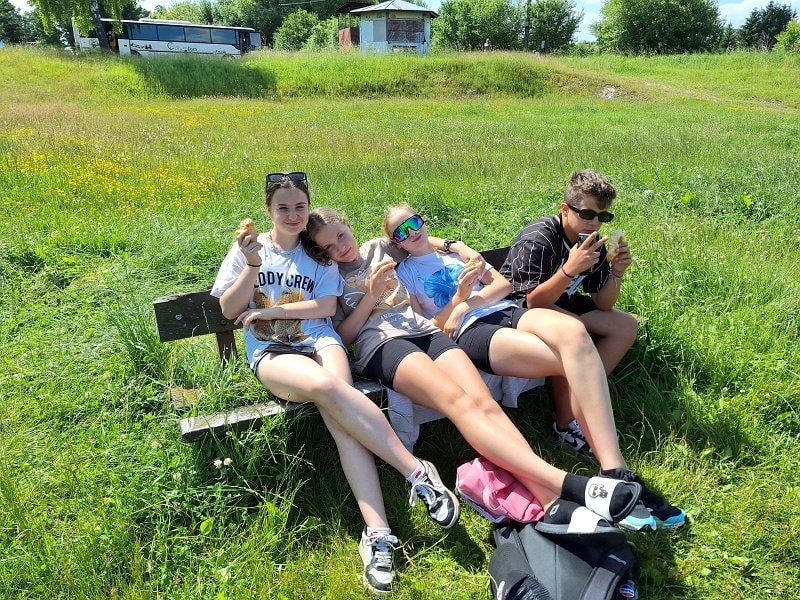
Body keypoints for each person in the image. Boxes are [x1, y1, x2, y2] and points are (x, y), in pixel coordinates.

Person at [305, 206, 647, 537]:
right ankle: (567, 487)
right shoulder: (329, 276)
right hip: (381, 342)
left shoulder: (379, 248)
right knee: (460, 404)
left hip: (426, 331)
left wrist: (452, 245)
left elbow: (418, 238)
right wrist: (371, 295)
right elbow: (345, 336)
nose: (339, 248)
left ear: (348, 225)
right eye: (328, 247)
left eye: (340, 236)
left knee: (485, 405)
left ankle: (550, 500)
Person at [210, 173, 461, 595]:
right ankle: (417, 472)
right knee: (328, 389)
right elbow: (228, 308)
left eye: (299, 207)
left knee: (342, 424)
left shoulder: (317, 256)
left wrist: (271, 312)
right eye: (283, 208)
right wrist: (252, 265)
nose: (292, 215)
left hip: (321, 341)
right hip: (273, 352)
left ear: (308, 207)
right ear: (269, 209)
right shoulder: (250, 249)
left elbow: (327, 306)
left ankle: (378, 535)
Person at [383, 203, 685, 532]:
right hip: (472, 332)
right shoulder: (405, 274)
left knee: (576, 335)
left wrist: (466, 292)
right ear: (396, 242)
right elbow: (429, 328)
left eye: (414, 222)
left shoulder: (454, 253)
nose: (411, 232)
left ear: (423, 220)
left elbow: (503, 286)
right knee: (577, 362)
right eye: (401, 232)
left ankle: (615, 471)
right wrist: (458, 303)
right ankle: (610, 474)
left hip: (505, 310)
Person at [500, 170, 639, 463]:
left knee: (625, 325)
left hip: (560, 303)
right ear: (565, 209)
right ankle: (564, 425)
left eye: (603, 217)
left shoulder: (593, 241)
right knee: (573, 331)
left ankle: (583, 405)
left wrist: (617, 272)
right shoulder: (540, 238)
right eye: (587, 214)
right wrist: (569, 269)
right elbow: (531, 301)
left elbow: (602, 303)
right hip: (517, 308)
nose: (595, 223)